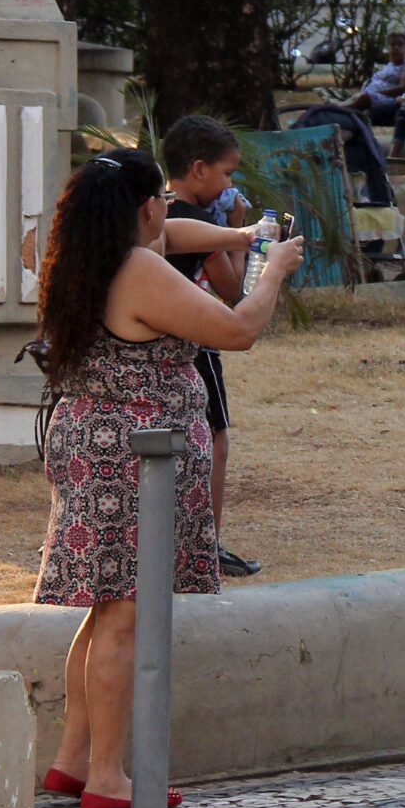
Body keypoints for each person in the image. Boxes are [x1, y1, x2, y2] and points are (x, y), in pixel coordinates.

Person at [31, 149, 303, 808]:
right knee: (126, 613)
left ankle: (71, 761)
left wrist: (241, 237)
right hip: (134, 453)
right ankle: (108, 776)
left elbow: (173, 234)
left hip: (90, 441)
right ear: (147, 206)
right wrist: (272, 269)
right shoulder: (138, 269)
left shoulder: (68, 254)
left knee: (104, 608)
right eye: (161, 200)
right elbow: (237, 328)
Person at [161, 115, 264, 579]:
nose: (229, 183)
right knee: (215, 441)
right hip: (196, 344)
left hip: (158, 343)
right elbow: (235, 290)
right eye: (227, 172)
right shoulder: (199, 222)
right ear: (199, 169)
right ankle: (209, 544)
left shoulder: (159, 211)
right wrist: (243, 231)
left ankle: (176, 539)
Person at [343, 32, 405, 124]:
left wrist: (375, 92)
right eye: (392, 45)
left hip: (389, 98)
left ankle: (335, 110)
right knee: (355, 97)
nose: (396, 47)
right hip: (369, 94)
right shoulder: (388, 66)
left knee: (363, 98)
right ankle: (336, 107)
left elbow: (401, 88)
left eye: (400, 44)